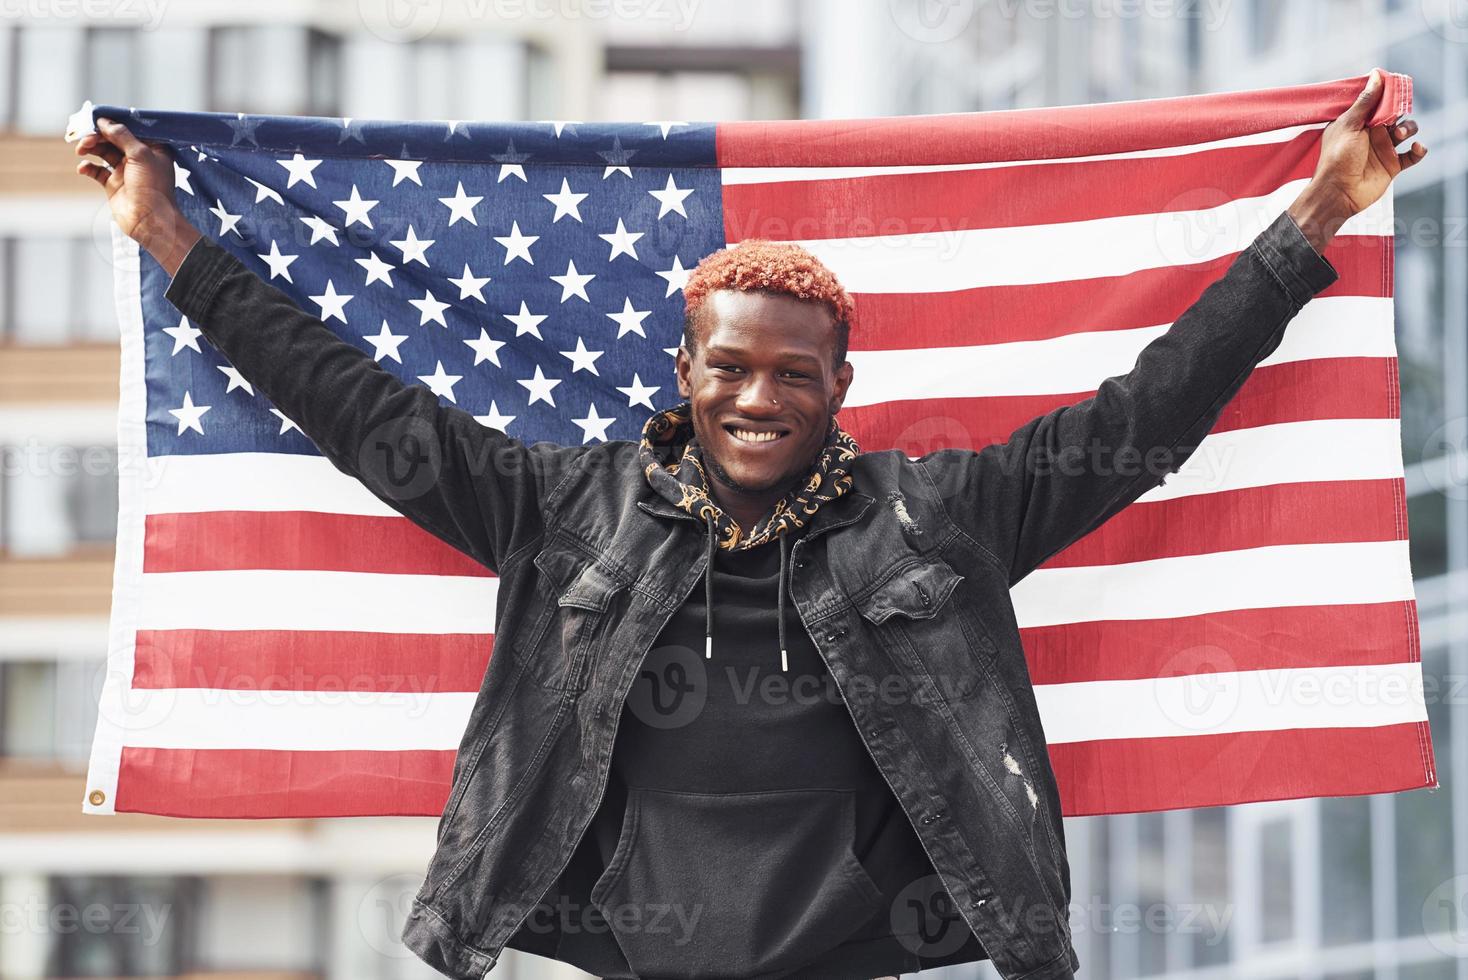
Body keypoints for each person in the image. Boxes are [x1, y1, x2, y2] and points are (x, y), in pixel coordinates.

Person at [77, 71, 1425, 980]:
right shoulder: (560, 509)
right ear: (685, 373)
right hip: (620, 950)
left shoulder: (945, 516)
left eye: (794, 373)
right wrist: (172, 239)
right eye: (731, 366)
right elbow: (353, 403)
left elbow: (1160, 403)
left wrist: (1319, 213)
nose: (759, 396)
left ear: (843, 388)